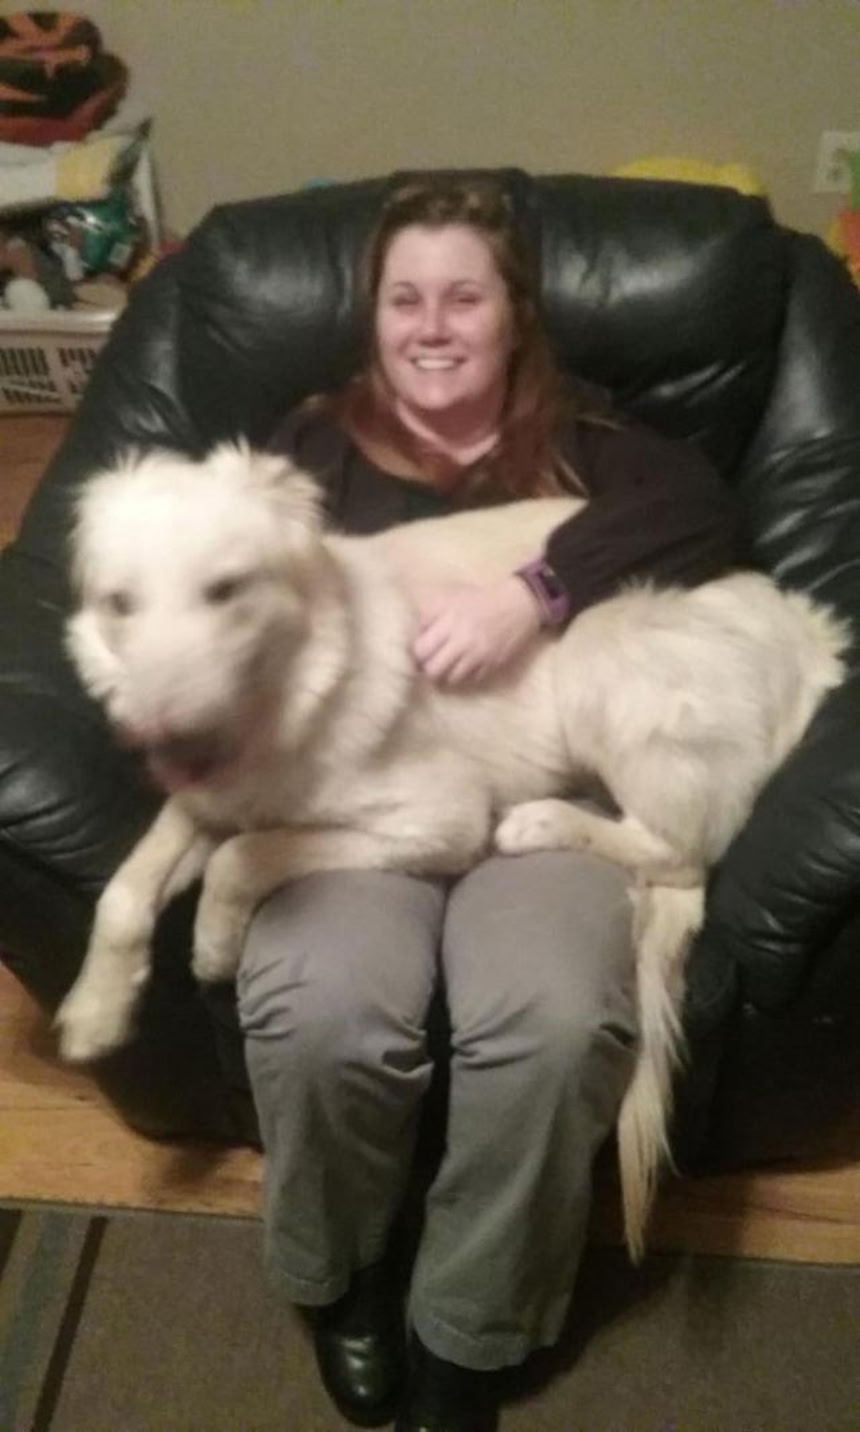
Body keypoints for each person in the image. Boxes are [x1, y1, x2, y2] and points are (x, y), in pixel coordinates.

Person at [236, 175, 735, 1432]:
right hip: (358, 816)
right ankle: (343, 1274)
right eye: (404, 298)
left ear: (513, 315)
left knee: (554, 1020)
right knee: (323, 1007)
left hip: (542, 802)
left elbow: (703, 513)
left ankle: (468, 1319)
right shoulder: (309, 449)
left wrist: (536, 588)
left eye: (462, 297)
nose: (431, 325)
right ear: (371, 316)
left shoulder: (584, 438)